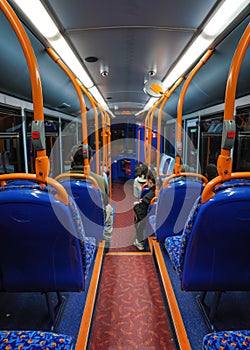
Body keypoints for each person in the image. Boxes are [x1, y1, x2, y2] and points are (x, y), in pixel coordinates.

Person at [69, 144, 113, 248]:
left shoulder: (60, 181)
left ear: (71, 158)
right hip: (92, 225)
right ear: (91, 159)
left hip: (69, 225)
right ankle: (105, 241)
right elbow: (105, 202)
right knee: (109, 209)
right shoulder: (99, 180)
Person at [133, 170, 156, 251]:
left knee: (139, 217)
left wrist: (136, 206)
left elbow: (141, 214)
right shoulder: (164, 192)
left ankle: (139, 241)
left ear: (150, 182)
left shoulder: (147, 198)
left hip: (146, 219)